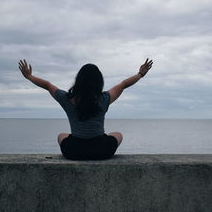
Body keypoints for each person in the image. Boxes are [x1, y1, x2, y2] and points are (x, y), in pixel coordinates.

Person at [18, 58, 153, 160]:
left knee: (61, 135)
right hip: (102, 151)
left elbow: (47, 85)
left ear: (79, 81)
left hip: (74, 152)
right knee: (118, 134)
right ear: (99, 82)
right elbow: (123, 84)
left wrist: (29, 76)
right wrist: (140, 74)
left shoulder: (67, 99)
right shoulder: (104, 98)